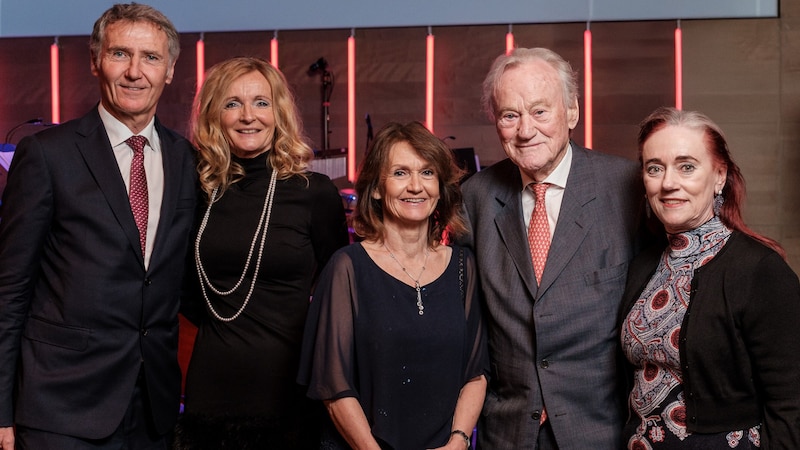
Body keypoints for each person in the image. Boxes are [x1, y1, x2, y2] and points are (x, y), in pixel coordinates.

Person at [0, 3, 195, 449]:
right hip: (61, 408)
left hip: (154, 409)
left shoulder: (187, 159)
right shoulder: (47, 156)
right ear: (94, 61)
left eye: (150, 57)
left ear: (169, 70)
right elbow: (9, 291)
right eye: (119, 54)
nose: (134, 72)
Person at [458, 47, 647, 449]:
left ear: (572, 112)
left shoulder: (627, 188)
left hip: (603, 432)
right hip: (508, 435)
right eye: (510, 115)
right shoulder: (475, 197)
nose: (526, 130)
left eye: (540, 111)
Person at [175, 56, 350, 449]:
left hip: (290, 387)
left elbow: (339, 294)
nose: (248, 116)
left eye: (261, 102)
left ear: (279, 112)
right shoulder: (195, 191)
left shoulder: (314, 193)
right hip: (212, 384)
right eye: (232, 103)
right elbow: (178, 283)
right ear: (213, 115)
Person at [299, 121, 488, 450]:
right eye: (400, 173)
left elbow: (476, 372)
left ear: (440, 187)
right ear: (375, 188)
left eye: (427, 173)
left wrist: (458, 442)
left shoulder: (463, 266)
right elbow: (333, 387)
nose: (416, 186)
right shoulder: (347, 269)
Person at [618, 106, 800, 449]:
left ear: (719, 176)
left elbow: (792, 405)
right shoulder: (643, 265)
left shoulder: (760, 270)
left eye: (686, 167)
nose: (669, 183)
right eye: (655, 168)